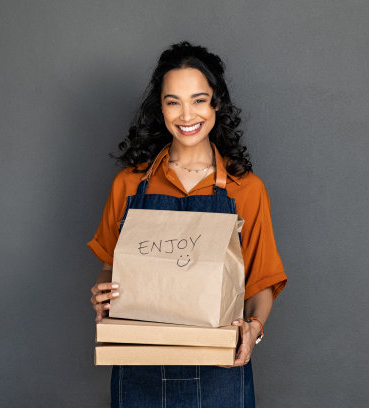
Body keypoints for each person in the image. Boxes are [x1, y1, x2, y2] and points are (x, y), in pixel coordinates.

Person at [88, 41, 287, 407]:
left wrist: (254, 329)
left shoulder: (247, 189)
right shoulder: (128, 184)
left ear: (217, 103)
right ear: (160, 108)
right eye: (172, 101)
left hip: (220, 374)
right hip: (139, 370)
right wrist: (101, 292)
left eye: (198, 99)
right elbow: (109, 267)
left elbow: (261, 283)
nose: (186, 114)